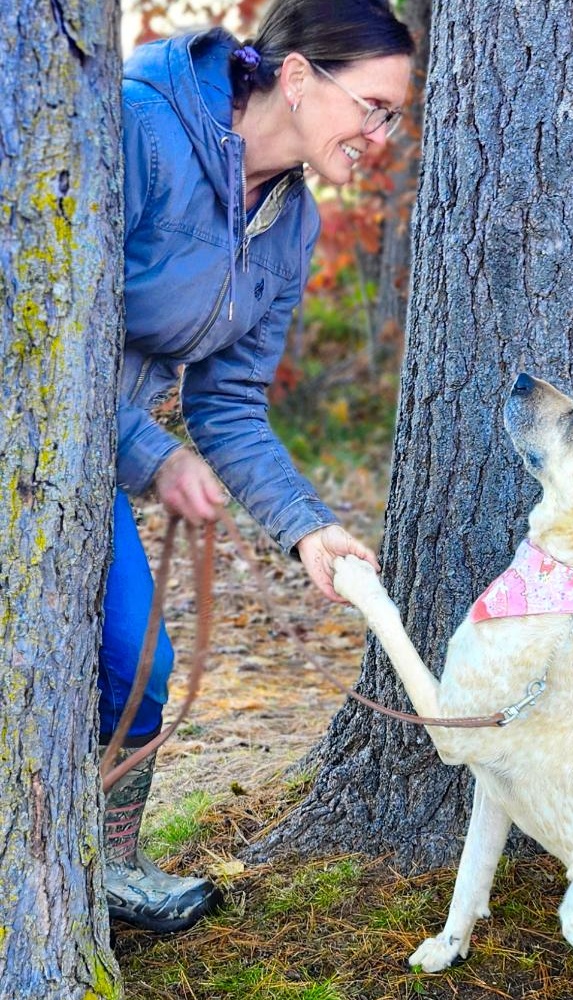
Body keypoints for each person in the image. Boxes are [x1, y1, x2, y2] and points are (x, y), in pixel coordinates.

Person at [102, 0, 414, 933]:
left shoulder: (290, 224)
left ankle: (103, 873)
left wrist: (306, 528)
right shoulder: (139, 130)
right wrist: (154, 460)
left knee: (137, 661)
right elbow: (39, 341)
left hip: (91, 462)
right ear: (296, 76)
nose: (380, 136)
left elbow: (227, 405)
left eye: (393, 117)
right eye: (373, 106)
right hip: (36, 430)